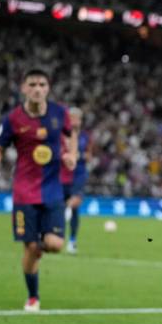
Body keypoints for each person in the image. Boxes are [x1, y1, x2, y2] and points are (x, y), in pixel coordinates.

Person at [0, 69, 77, 312]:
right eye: (33, 84)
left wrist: (71, 154)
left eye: (42, 84)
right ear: (24, 88)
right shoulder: (13, 119)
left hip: (53, 190)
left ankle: (41, 244)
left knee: (55, 244)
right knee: (31, 248)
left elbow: (71, 134)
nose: (38, 89)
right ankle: (33, 296)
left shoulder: (60, 113)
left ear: (48, 88)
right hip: (25, 192)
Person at [61, 107, 92, 254]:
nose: (74, 120)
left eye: (77, 118)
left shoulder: (85, 136)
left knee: (75, 204)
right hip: (62, 174)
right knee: (61, 206)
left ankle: (72, 241)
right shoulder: (61, 135)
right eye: (71, 118)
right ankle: (57, 236)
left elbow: (89, 156)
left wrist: (78, 156)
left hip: (79, 174)